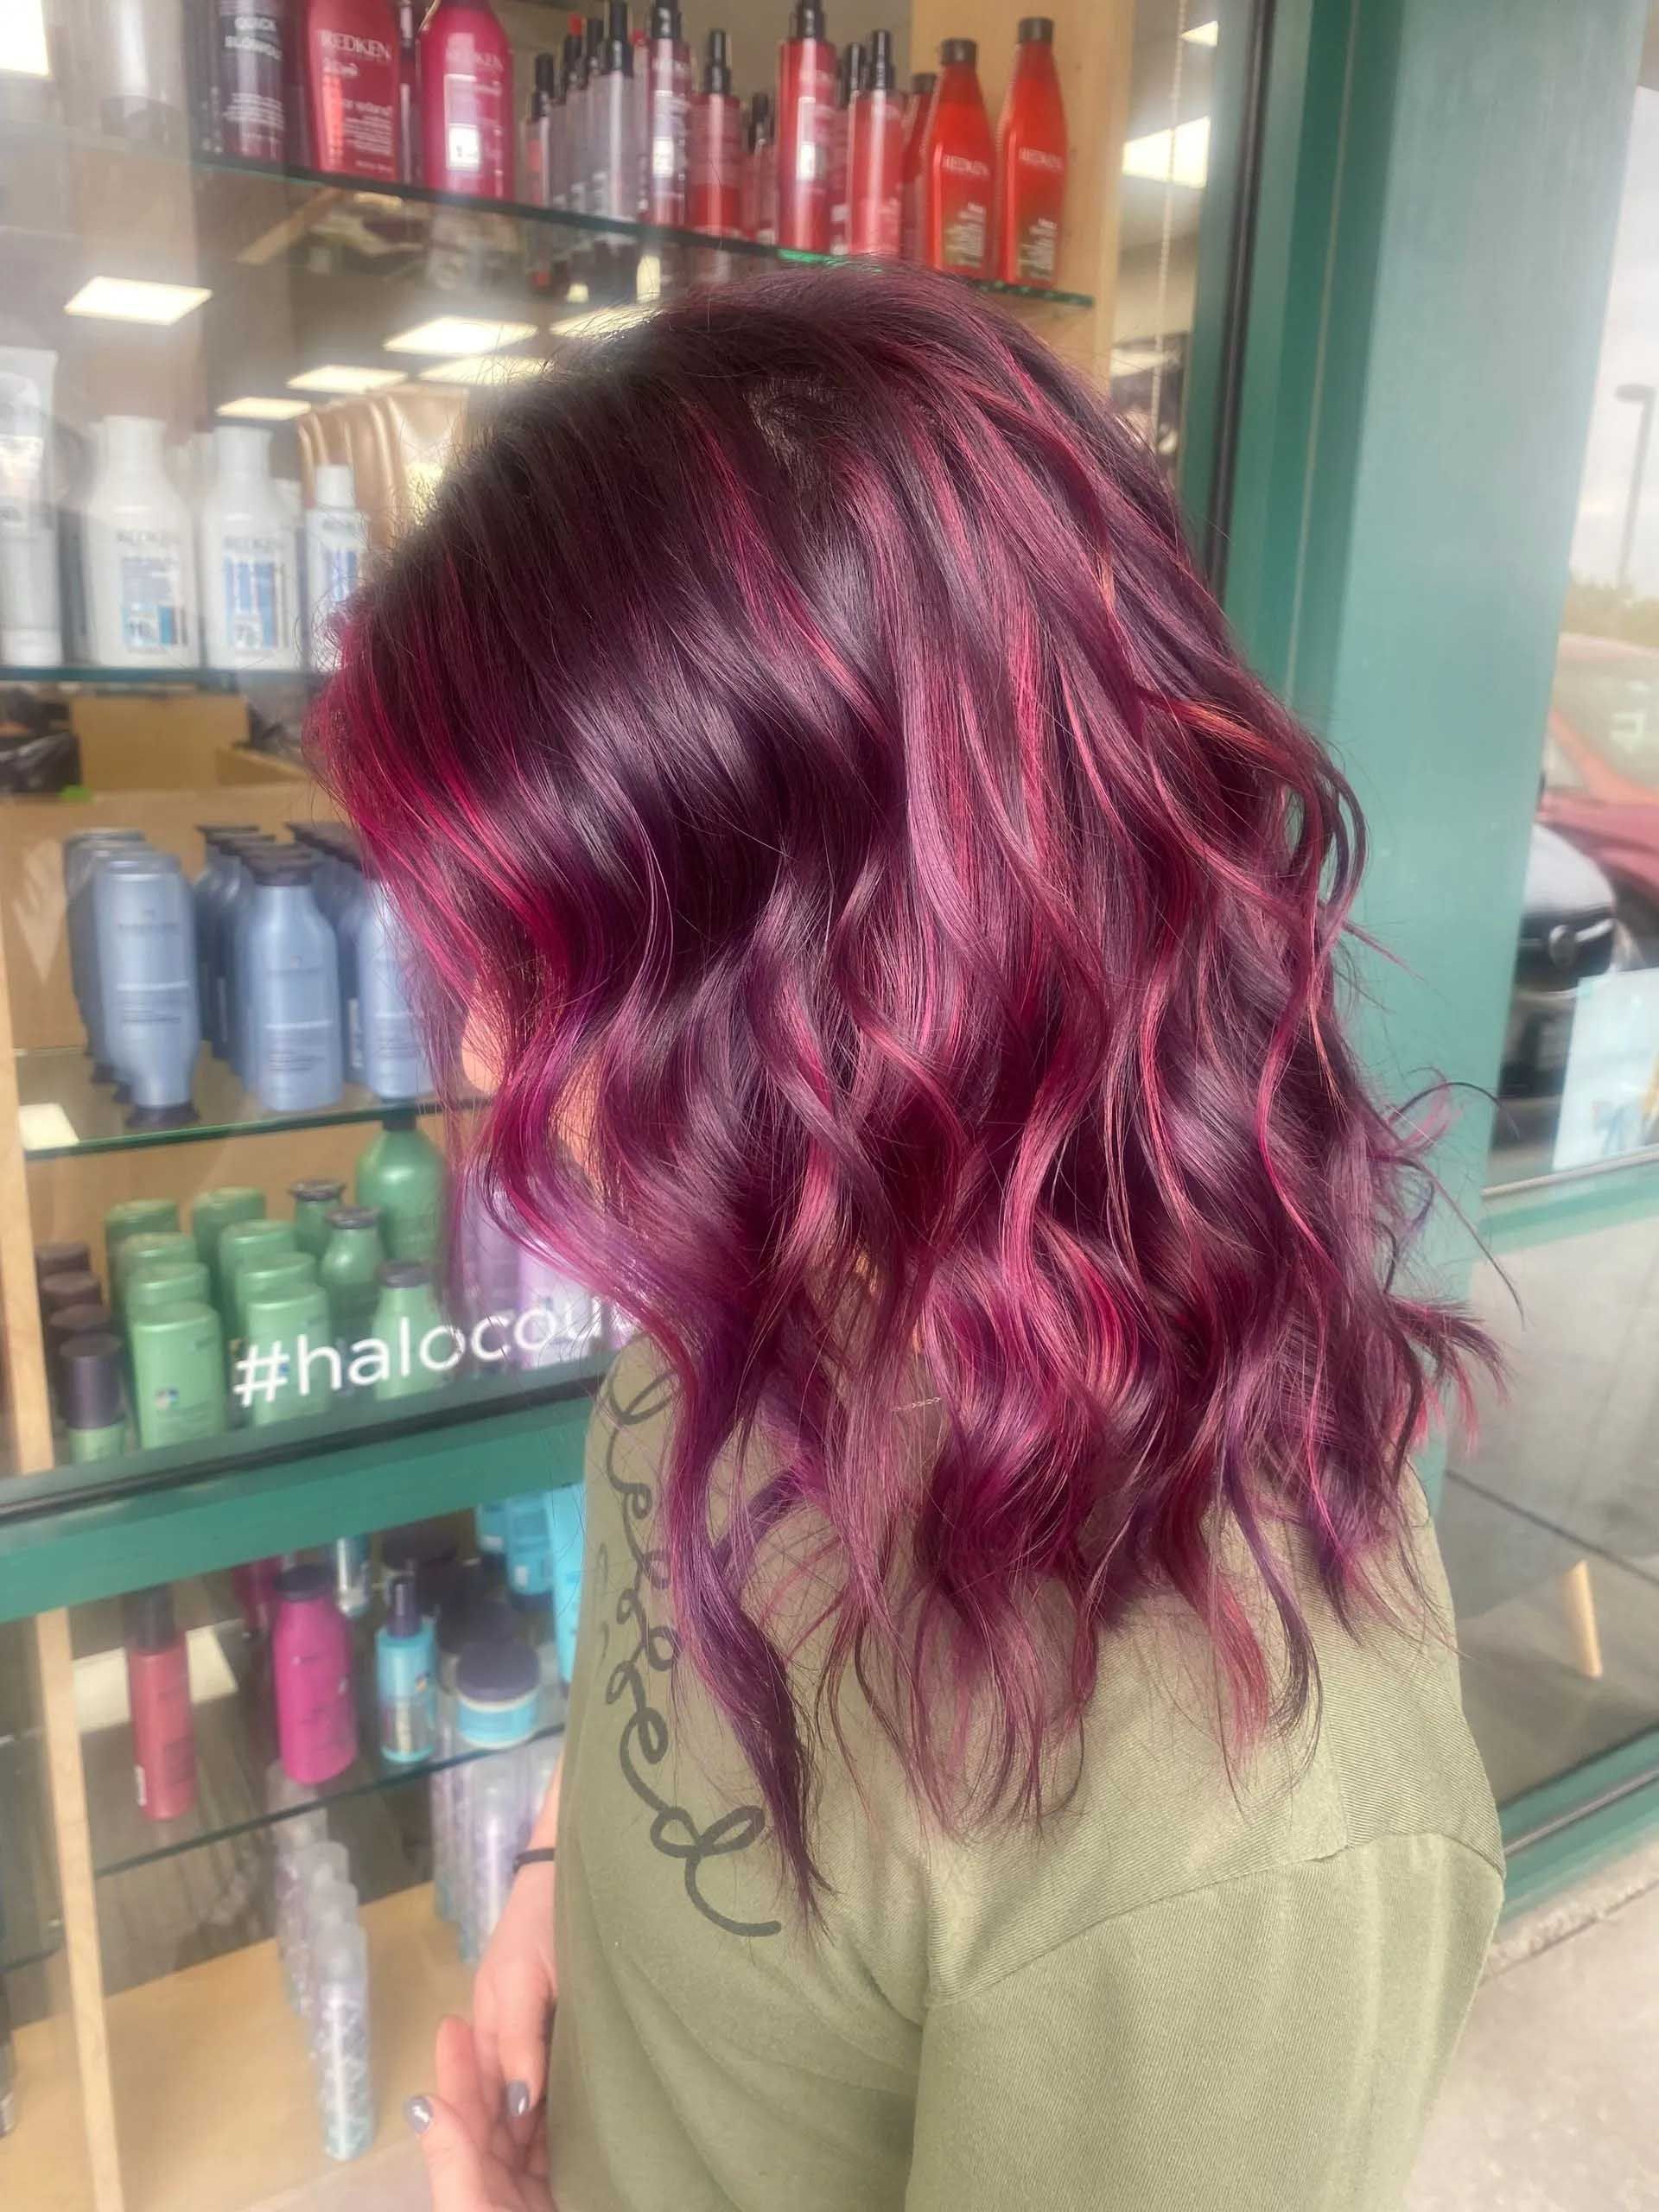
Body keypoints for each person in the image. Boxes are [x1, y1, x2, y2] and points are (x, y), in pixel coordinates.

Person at [314, 264, 1504, 2212]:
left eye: (551, 969)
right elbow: (684, 1698)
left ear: (869, 954)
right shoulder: (776, 1250)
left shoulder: (1224, 1826)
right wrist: (562, 1886)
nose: (478, 1057)